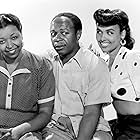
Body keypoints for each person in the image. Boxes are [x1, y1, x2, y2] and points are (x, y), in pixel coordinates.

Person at [42, 12, 112, 140]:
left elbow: (92, 113)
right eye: (53, 34)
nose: (57, 38)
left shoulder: (95, 64)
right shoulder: (47, 62)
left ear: (78, 35)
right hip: (56, 126)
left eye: (64, 33)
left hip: (94, 127)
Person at [0, 13, 55, 140]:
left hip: (27, 131)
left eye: (14, 37)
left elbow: (45, 113)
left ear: (21, 34)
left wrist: (19, 131)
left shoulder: (41, 66)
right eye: (1, 41)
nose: (9, 45)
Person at [93, 8, 140, 139]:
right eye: (99, 32)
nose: (102, 38)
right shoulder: (104, 63)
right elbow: (103, 101)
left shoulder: (132, 58)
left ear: (123, 34)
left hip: (137, 127)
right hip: (120, 124)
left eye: (110, 32)